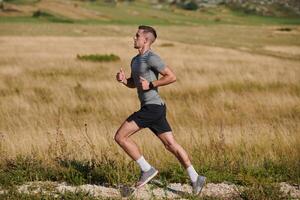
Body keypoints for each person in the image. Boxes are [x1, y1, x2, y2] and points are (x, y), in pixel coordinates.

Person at [115, 25, 206, 195]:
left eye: (137, 36)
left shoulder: (152, 58)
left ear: (146, 40)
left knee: (120, 136)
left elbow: (171, 76)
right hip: (154, 108)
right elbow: (134, 84)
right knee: (171, 145)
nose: (134, 38)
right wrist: (123, 81)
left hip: (152, 107)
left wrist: (151, 84)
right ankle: (196, 178)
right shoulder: (135, 60)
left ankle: (147, 169)